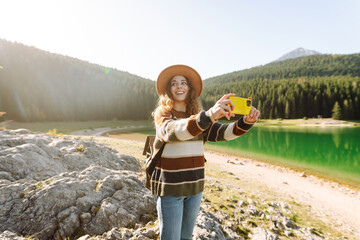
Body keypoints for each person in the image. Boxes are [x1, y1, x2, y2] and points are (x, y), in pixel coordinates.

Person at [151, 64, 260, 240]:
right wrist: (209, 115)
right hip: (171, 189)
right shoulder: (162, 114)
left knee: (185, 237)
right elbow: (172, 132)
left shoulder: (199, 117)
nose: (179, 86)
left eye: (184, 82)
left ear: (190, 89)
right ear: (168, 90)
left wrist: (246, 122)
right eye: (174, 83)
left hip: (195, 188)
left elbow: (223, 133)